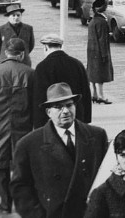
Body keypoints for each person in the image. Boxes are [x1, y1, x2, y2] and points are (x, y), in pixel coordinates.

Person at [11, 83, 109, 218]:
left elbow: (108, 178)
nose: (66, 111)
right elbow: (20, 188)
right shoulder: (28, 144)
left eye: (69, 105)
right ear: (48, 112)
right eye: (58, 107)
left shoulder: (97, 136)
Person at [0, 38, 35, 214]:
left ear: (5, 53)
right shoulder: (30, 73)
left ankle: (4, 203)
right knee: (21, 165)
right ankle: (21, 202)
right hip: (22, 125)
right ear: (22, 54)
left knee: (0, 164)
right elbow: (35, 101)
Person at [33, 33, 92, 126]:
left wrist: (39, 124)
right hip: (77, 117)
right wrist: (86, 120)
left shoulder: (42, 67)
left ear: (45, 47)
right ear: (60, 46)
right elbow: (86, 93)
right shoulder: (77, 64)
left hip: (53, 120)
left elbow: (39, 97)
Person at [88, 0, 114, 104]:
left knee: (93, 74)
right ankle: (101, 96)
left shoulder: (93, 21)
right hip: (99, 51)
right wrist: (104, 54)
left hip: (91, 51)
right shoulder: (102, 22)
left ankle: (94, 94)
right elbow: (103, 40)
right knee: (100, 75)